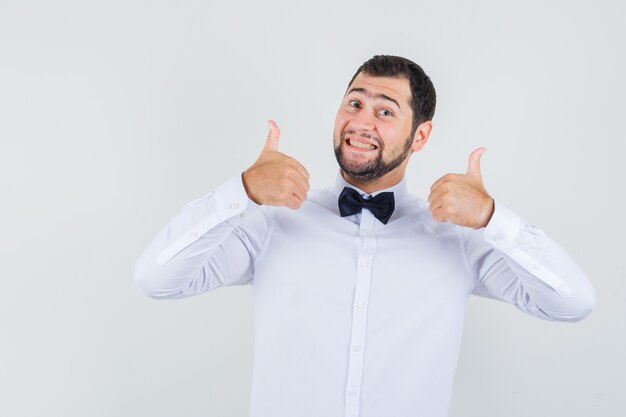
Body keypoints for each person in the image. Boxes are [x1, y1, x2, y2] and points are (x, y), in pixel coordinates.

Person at [134, 55, 595, 417]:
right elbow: (158, 279)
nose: (361, 121)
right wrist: (240, 191)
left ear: (420, 137)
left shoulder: (455, 237)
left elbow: (573, 302)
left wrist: (494, 219)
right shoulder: (274, 222)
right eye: (354, 103)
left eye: (385, 111)